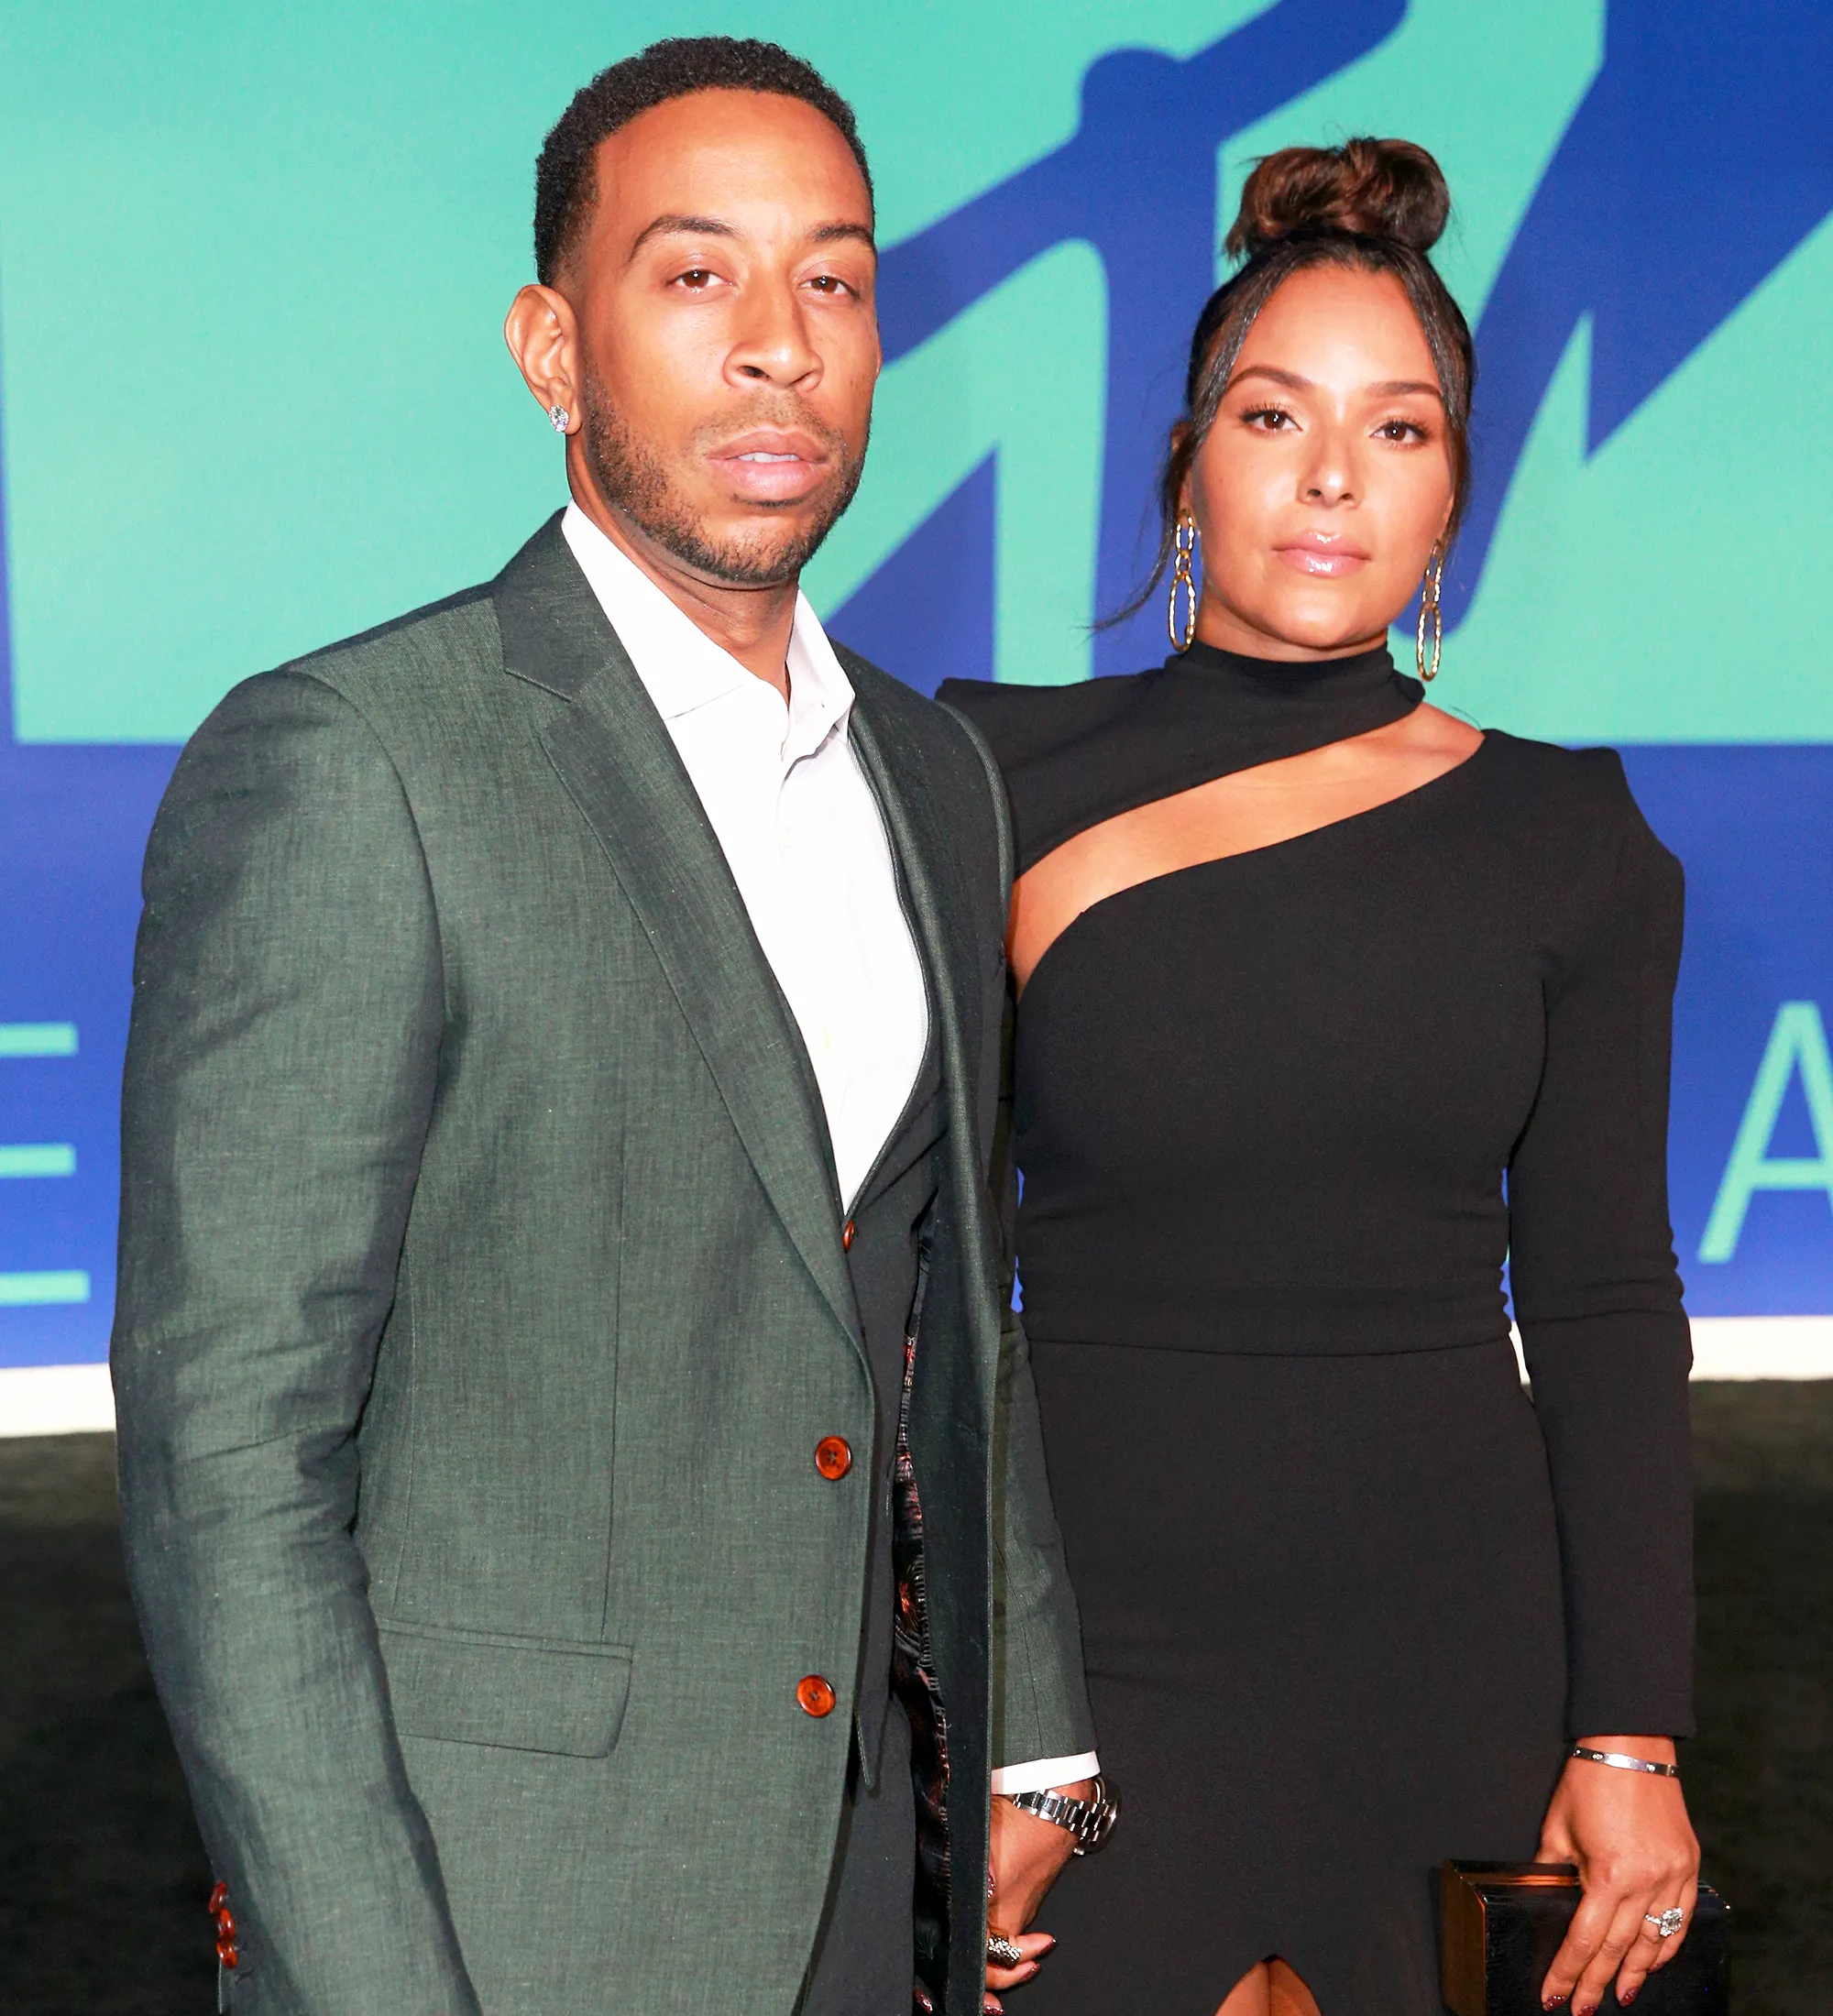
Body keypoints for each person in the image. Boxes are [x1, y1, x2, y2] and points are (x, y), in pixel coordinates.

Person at [111, 38, 1102, 2016]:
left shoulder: (933, 769)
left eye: (831, 278)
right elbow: (231, 1460)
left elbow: (934, 1305)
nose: (777, 346)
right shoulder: (354, 760)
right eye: (693, 273)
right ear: (550, 348)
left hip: (860, 1878)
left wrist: (1025, 1731)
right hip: (495, 1913)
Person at [940, 138, 1700, 2016]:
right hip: (1097, 1650)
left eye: (1404, 427)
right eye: (1276, 414)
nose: (1335, 475)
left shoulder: (1572, 833)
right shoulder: (975, 779)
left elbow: (1604, 1302)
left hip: (1454, 1652)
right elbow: (907, 1282)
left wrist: (1633, 1738)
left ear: (1457, 489)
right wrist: (977, 1723)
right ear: (1189, 455)